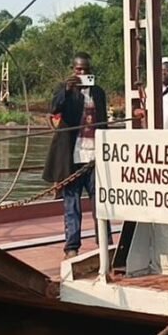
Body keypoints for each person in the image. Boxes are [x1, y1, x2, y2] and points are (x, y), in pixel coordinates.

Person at [43, 53, 108, 259]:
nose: (82, 73)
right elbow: (53, 108)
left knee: (100, 203)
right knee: (72, 204)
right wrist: (66, 90)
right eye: (78, 70)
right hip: (72, 157)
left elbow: (103, 121)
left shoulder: (98, 93)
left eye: (86, 70)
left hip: (94, 156)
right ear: (73, 70)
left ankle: (104, 243)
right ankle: (72, 246)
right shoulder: (66, 90)